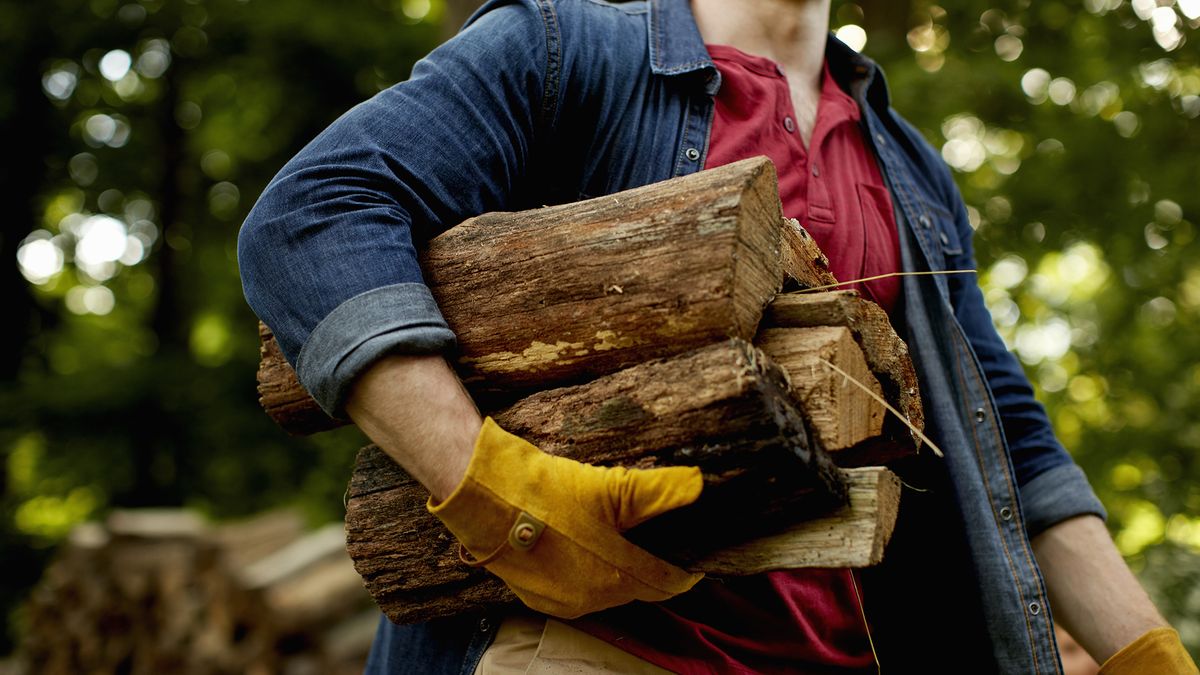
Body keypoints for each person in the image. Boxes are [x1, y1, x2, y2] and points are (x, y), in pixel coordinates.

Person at [237, 0, 1198, 672]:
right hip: (591, 645)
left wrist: (1145, 652)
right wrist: (498, 493)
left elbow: (1012, 448)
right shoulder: (563, 52)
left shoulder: (909, 171)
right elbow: (314, 216)